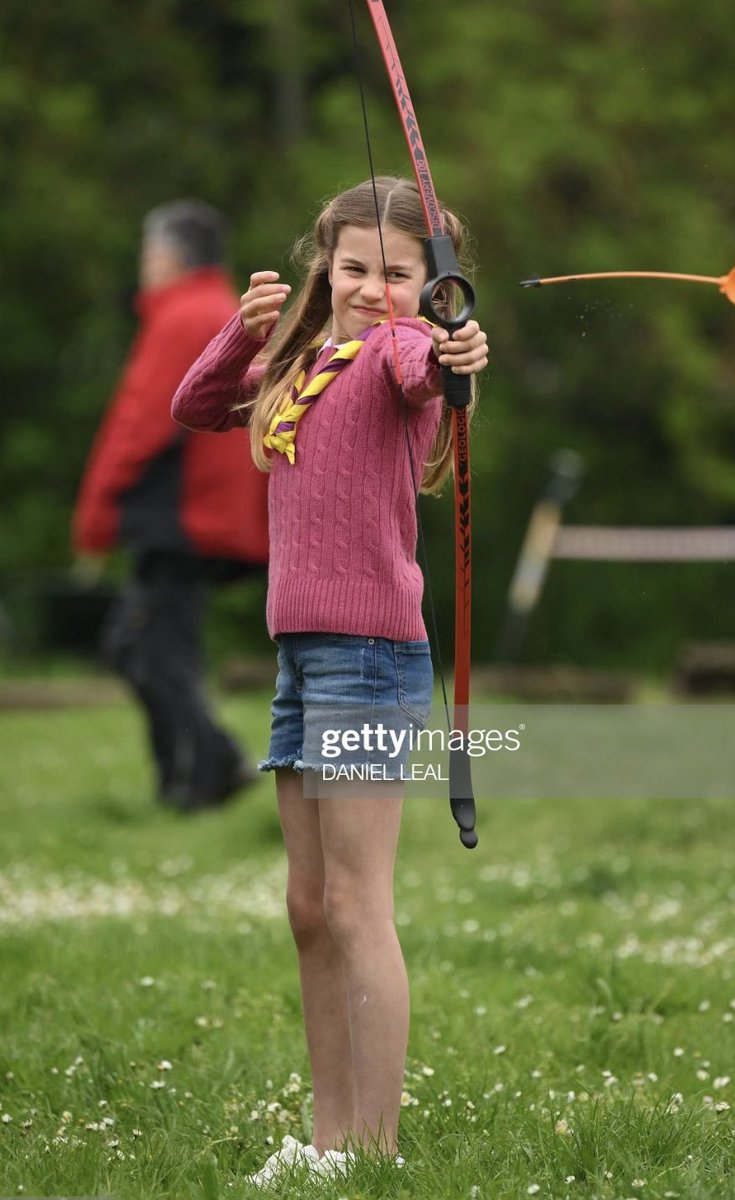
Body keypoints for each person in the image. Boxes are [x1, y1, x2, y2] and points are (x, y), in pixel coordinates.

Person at [171, 176, 489, 1181]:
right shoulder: (311, 355)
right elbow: (196, 406)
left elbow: (422, 371)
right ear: (327, 265)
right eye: (353, 268)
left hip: (368, 657)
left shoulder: (400, 350)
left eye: (398, 273)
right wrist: (243, 330)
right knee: (307, 906)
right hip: (303, 658)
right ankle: (326, 1140)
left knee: (355, 903)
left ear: (432, 281)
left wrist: (452, 347)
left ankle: (372, 1150)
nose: (371, 289)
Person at [72, 200, 269, 811]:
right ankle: (184, 780)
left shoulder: (183, 315)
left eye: (146, 253)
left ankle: (211, 767)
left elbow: (137, 426)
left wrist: (95, 518)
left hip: (181, 517)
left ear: (168, 256)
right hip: (216, 516)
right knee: (155, 646)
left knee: (145, 649)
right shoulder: (222, 308)